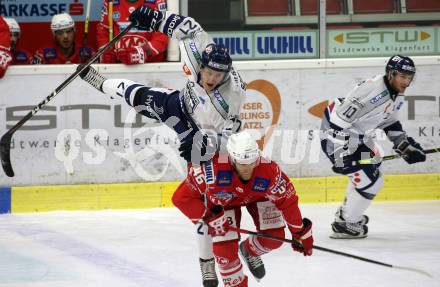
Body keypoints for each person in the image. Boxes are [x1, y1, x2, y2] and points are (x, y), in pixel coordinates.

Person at [79, 6, 246, 287]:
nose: (212, 78)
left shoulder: (234, 95)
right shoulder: (201, 50)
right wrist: (155, 19)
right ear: (202, 64)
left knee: (208, 204)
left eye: (219, 76)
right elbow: (188, 27)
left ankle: (207, 263)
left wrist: (204, 144)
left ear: (227, 74)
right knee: (139, 96)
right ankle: (102, 82)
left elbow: (228, 137)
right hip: (180, 105)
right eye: (208, 72)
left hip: (204, 138)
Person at [172, 131, 313, 287]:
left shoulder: (269, 171)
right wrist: (209, 216)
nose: (247, 168)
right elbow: (181, 198)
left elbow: (288, 201)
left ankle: (248, 250)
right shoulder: (211, 171)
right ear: (232, 159)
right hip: (222, 206)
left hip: (257, 197)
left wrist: (299, 231)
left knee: (275, 237)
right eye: (242, 163)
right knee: (225, 254)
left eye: (252, 162)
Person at [320, 54, 426, 239]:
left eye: (409, 77)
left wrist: (403, 145)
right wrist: (341, 157)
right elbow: (337, 122)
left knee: (371, 170)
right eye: (402, 76)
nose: (406, 82)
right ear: (391, 74)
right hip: (336, 135)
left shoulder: (395, 93)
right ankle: (345, 224)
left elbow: (389, 122)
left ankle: (346, 215)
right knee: (372, 182)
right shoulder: (373, 93)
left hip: (356, 135)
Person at [97, 0, 169, 64]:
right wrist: (105, 52)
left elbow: (163, 33)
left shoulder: (158, 2)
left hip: (150, 66)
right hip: (119, 64)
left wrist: (143, 52)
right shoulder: (110, 2)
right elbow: (103, 30)